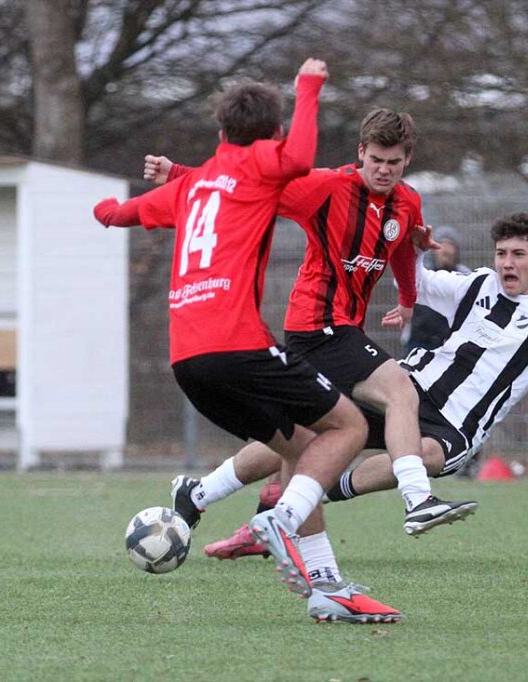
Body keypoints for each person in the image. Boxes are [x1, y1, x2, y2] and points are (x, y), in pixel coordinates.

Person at [93, 58, 371, 605]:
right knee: (350, 426)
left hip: (188, 363)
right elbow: (300, 156)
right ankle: (283, 519)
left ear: (220, 132)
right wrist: (309, 86)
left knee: (305, 446)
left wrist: (104, 208)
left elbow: (120, 214)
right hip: (238, 344)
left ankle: (324, 587)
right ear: (272, 133)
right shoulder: (262, 164)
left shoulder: (191, 184)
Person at [196, 213, 528, 585]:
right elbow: (418, 285)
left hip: (454, 428)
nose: (507, 263)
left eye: (518, 255)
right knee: (309, 425)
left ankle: (288, 507)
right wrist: (411, 248)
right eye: (501, 253)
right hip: (410, 388)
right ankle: (199, 494)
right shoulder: (478, 284)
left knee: (418, 455)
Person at [144, 109, 475, 540]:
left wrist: (408, 300)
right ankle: (418, 500)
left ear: (407, 160)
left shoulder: (407, 202)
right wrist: (178, 174)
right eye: (375, 159)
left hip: (337, 331)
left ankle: (200, 493)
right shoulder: (327, 187)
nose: (383, 169)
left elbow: (401, 251)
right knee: (399, 389)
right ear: (361, 152)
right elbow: (245, 188)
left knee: (300, 437)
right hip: (317, 326)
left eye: (393, 162)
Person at [403, 225, 472, 354]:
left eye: (449, 245)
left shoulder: (467, 278)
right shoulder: (423, 275)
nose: (445, 250)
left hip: (451, 345)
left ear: (456, 250)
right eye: (440, 244)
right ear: (433, 249)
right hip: (419, 342)